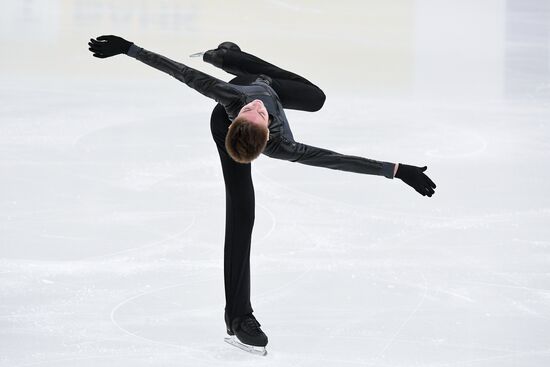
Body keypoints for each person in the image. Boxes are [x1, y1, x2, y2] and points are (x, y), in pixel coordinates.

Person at [87, 35, 437, 355]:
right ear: (262, 128)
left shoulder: (246, 109)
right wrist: (395, 169)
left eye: (251, 111)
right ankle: (238, 316)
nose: (254, 107)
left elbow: (179, 71)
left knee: (316, 98)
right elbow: (333, 159)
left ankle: (228, 58)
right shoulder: (260, 125)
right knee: (243, 214)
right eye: (253, 113)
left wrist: (128, 48)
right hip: (225, 131)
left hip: (245, 86)